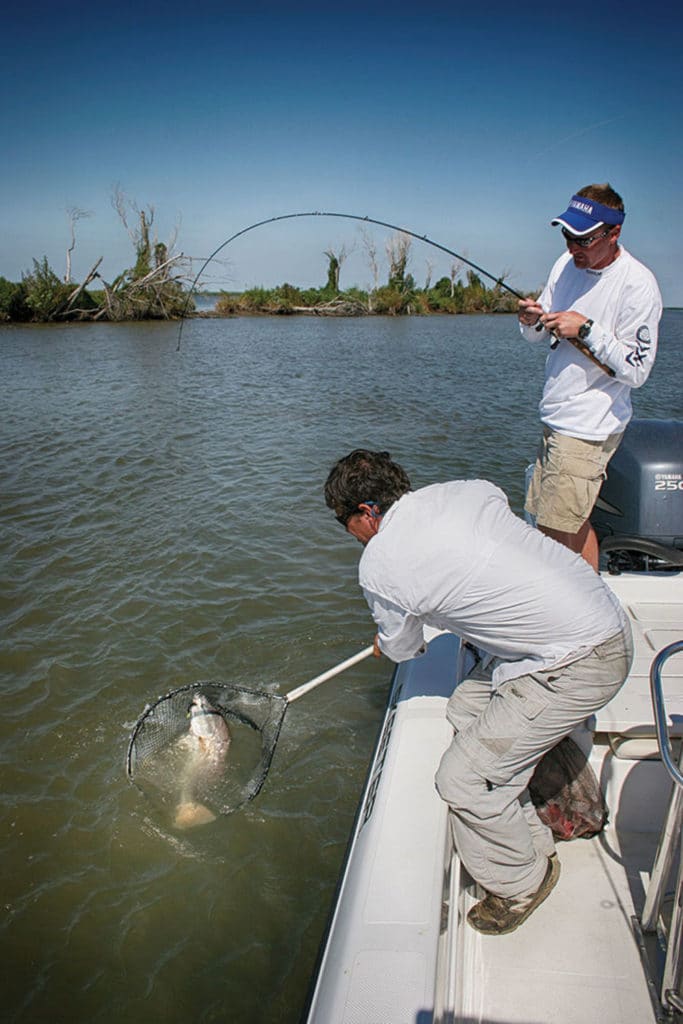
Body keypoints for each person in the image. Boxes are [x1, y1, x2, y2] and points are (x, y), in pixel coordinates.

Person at [324, 449, 633, 935]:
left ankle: (523, 881)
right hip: (605, 620)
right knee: (468, 704)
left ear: (366, 513)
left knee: (461, 780)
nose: (351, 537)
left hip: (582, 662)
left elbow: (405, 649)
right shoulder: (468, 489)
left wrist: (390, 638)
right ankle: (546, 802)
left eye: (346, 524)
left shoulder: (379, 564)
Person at [518, 183, 662, 571]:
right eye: (567, 235)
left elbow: (637, 371)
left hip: (588, 425)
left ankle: (579, 609)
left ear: (613, 233)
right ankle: (582, 603)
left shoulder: (638, 285)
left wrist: (586, 330)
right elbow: (539, 333)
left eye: (583, 238)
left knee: (562, 530)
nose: (572, 247)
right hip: (555, 416)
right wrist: (532, 321)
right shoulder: (565, 266)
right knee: (556, 524)